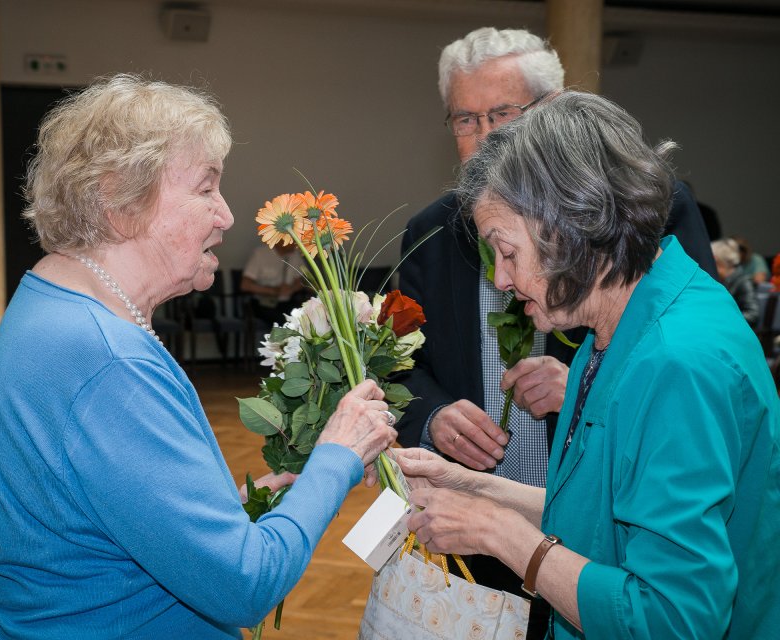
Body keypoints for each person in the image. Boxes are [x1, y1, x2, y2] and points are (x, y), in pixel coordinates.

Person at [0, 74, 399, 639]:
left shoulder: (54, 305)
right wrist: (340, 454)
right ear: (119, 201)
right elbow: (243, 586)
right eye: (205, 188)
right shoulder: (106, 361)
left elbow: (98, 517)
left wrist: (239, 504)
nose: (226, 215)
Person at [384, 91, 780, 639]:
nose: (500, 279)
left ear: (572, 225)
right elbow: (605, 516)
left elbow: (670, 620)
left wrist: (505, 537)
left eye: (506, 250)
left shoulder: (677, 363)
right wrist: (472, 488)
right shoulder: (627, 322)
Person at [240, 242, 308, 324]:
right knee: (283, 322)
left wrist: (291, 289)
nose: (296, 242)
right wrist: (273, 291)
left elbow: (301, 281)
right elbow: (245, 285)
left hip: (287, 302)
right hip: (263, 303)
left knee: (304, 319)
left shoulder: (295, 254)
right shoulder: (261, 253)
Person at [712, 238, 760, 325]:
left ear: (717, 260)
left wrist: (724, 319)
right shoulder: (720, 280)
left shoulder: (744, 281)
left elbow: (753, 314)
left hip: (735, 333)